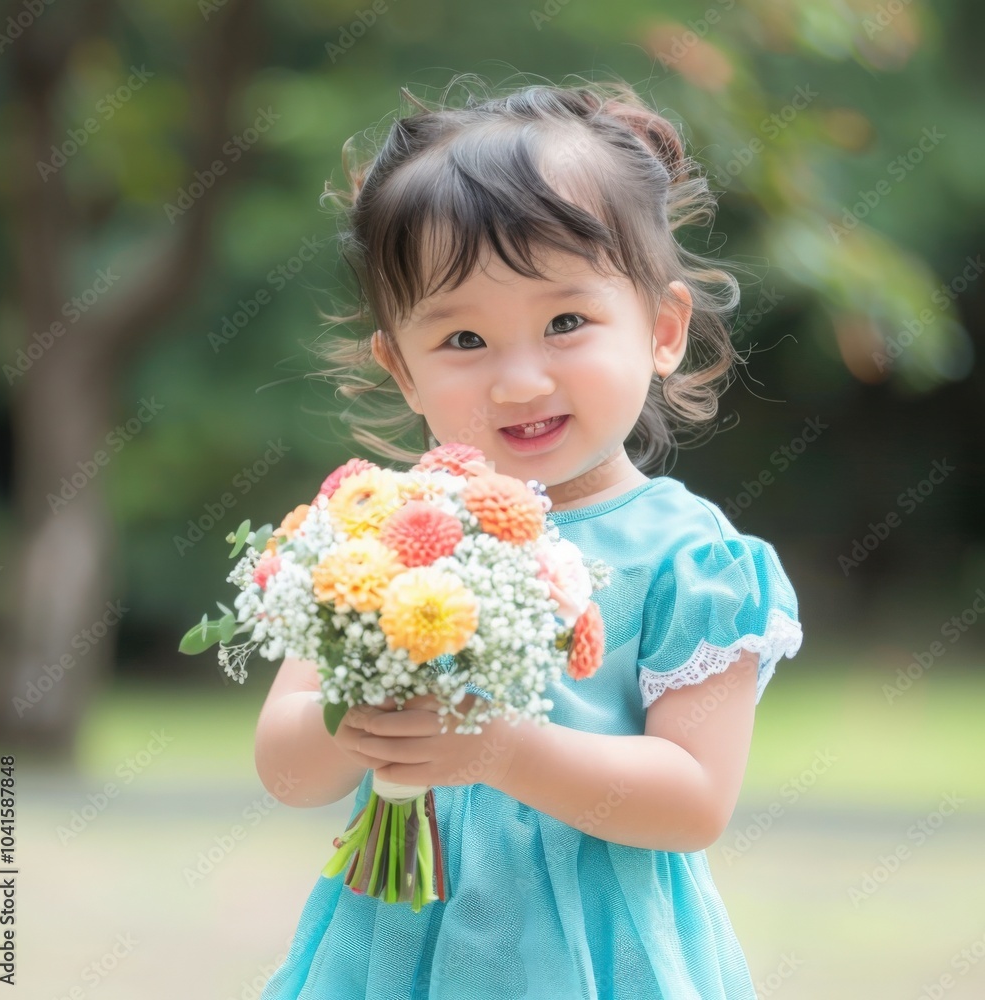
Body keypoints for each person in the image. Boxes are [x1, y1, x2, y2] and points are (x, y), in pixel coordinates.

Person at [254, 72, 803, 999]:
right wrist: (366, 713)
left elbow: (695, 799)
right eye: (464, 341)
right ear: (402, 367)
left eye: (565, 322)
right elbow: (287, 771)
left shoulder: (691, 556)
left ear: (663, 329)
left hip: (594, 957)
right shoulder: (383, 531)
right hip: (395, 949)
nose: (519, 381)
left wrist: (500, 751)